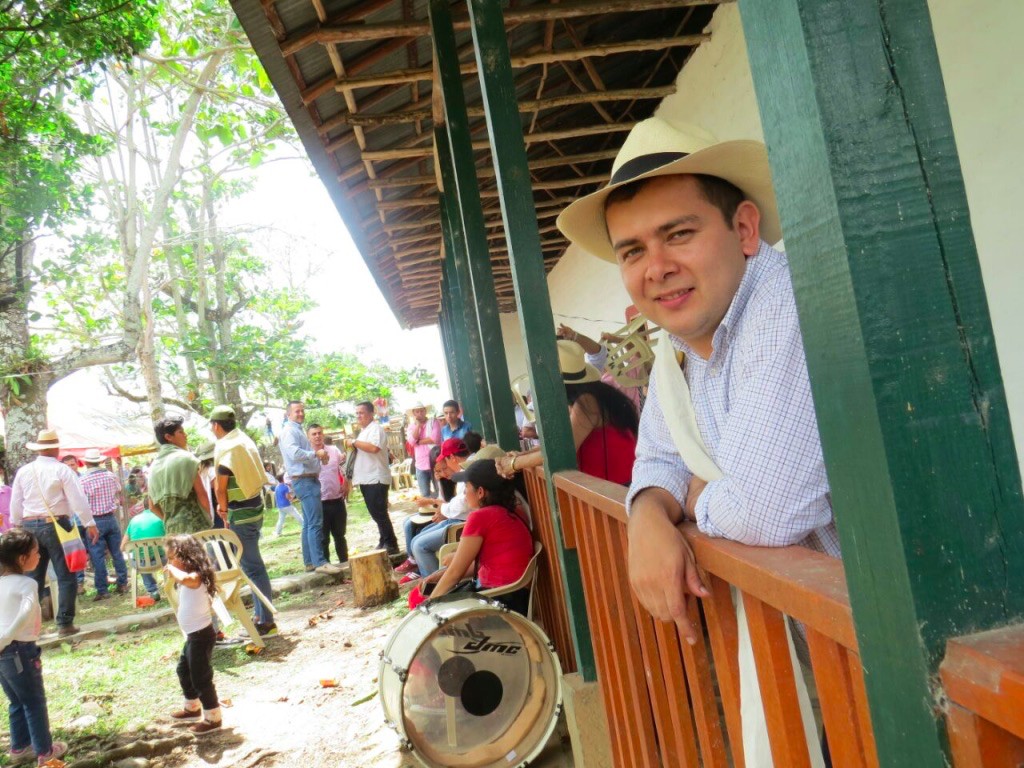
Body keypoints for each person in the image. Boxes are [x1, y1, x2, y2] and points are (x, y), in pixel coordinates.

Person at [556, 115, 835, 766]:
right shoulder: (675, 350)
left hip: (909, 643)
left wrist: (697, 498)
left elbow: (766, 513)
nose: (657, 268)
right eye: (632, 251)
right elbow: (657, 457)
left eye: (678, 234)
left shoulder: (784, 301)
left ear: (743, 230)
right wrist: (650, 514)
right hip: (809, 642)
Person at [497, 340, 639, 485]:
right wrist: (520, 456)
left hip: (618, 488)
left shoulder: (587, 401)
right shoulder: (591, 396)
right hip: (613, 485)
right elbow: (558, 445)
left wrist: (514, 463)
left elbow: (561, 451)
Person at [9, 429, 99, 637]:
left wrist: (17, 525)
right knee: (66, 574)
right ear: (55, 448)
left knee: (33, 578)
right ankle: (64, 623)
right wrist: (89, 522)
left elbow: (16, 503)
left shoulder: (24, 471)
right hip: (57, 525)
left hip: (30, 526)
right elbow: (77, 499)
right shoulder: (62, 470)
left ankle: (30, 626)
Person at [415, 460, 534, 616]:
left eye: (467, 488)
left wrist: (427, 607)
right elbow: (487, 563)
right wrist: (440, 575)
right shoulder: (513, 510)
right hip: (516, 597)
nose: (464, 494)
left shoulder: (480, 517)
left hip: (498, 601)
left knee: (423, 606)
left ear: (480, 492)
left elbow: (455, 573)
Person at [0, 529, 68, 766]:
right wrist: (8, 635)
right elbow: (27, 610)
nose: (40, 557)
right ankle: (44, 752)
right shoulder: (27, 584)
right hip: (19, 650)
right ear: (22, 558)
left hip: (2, 653)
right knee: (34, 701)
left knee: (17, 700)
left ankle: (20, 748)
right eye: (36, 552)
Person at [209, 405, 278, 636]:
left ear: (216, 425)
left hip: (241, 515)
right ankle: (260, 616)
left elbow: (221, 487)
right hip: (255, 509)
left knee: (253, 568)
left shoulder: (227, 447)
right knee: (251, 567)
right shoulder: (243, 440)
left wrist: (223, 508)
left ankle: (266, 622)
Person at [163, 534, 222, 736]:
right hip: (192, 636)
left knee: (201, 677)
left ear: (187, 557)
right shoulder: (187, 578)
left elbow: (188, 580)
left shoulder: (196, 576)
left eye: (172, 558)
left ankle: (213, 717)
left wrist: (172, 570)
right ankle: (192, 707)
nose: (170, 563)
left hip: (201, 636)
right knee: (183, 670)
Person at [278, 401, 341, 575]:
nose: (301, 413)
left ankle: (309, 562)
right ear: (288, 414)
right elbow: (295, 454)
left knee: (308, 523)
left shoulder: (296, 430)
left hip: (307, 479)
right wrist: (316, 453)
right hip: (304, 481)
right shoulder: (289, 431)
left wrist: (319, 458)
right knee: (315, 523)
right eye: (297, 411)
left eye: (302, 410)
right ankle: (320, 562)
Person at [346, 401, 398, 555]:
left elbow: (374, 448)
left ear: (371, 413)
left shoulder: (376, 429)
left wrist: (354, 442)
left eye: (361, 413)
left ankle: (391, 543)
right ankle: (384, 540)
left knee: (379, 512)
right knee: (375, 512)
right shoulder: (364, 431)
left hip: (375, 477)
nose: (358, 416)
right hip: (365, 478)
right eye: (357, 413)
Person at [79, 448, 129, 600]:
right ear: (100, 461)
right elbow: (119, 491)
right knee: (117, 552)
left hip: (94, 521)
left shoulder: (83, 481)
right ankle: (123, 583)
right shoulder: (110, 476)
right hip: (111, 517)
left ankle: (102, 589)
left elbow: (81, 502)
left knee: (97, 555)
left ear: (86, 463)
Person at [148, 417, 212, 535]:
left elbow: (151, 506)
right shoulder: (186, 459)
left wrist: (170, 521)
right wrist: (210, 518)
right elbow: (202, 494)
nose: (185, 435)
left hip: (172, 532)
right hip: (196, 529)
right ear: (168, 437)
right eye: (181, 432)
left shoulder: (153, 468)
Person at [307, 423, 348, 565]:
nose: (317, 436)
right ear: (309, 437)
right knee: (323, 539)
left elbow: (342, 468)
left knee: (340, 535)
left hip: (337, 499)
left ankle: (345, 564)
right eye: (314, 434)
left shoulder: (334, 450)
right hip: (319, 502)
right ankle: (327, 566)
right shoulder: (307, 455)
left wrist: (346, 482)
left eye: (319, 433)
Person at [120, 507, 166, 603]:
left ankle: (153, 591)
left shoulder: (133, 521)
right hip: (162, 561)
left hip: (142, 564)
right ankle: (173, 586)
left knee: (139, 558)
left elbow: (122, 547)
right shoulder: (162, 518)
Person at [406, 404, 441, 498]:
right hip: (420, 464)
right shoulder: (411, 426)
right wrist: (417, 426)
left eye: (421, 411)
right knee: (425, 494)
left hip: (435, 462)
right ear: (413, 413)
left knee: (440, 492)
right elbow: (412, 441)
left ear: (425, 411)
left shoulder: (433, 422)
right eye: (417, 411)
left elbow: (435, 439)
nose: (420, 413)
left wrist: (418, 442)